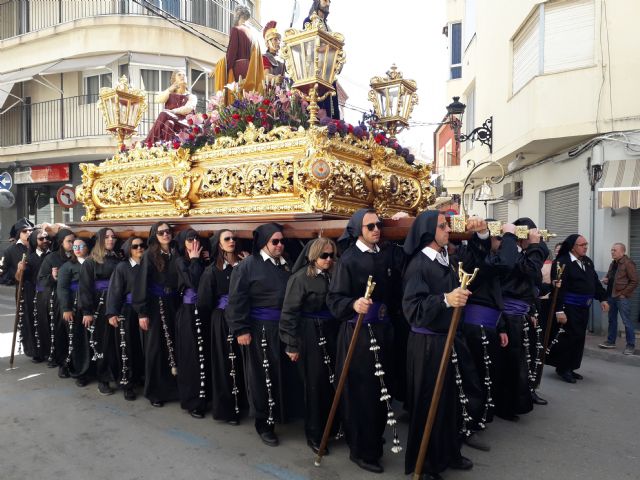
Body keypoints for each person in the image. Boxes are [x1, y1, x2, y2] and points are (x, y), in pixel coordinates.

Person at [402, 210, 482, 480]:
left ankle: (448, 452)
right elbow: (412, 309)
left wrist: (480, 233)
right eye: (443, 226)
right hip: (426, 344)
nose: (449, 230)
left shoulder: (447, 259)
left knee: (450, 401)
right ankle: (424, 464)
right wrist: (446, 299)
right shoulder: (417, 265)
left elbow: (475, 263)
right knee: (428, 403)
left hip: (448, 339)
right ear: (428, 232)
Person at [326, 209, 405, 474]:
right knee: (361, 393)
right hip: (359, 335)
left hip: (384, 330)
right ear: (358, 229)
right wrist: (353, 303)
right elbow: (334, 299)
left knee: (383, 390)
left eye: (379, 225)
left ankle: (373, 438)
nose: (376, 230)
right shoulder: (348, 260)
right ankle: (360, 449)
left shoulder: (385, 254)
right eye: (370, 226)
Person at [226, 223, 292, 447]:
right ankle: (264, 424)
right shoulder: (247, 266)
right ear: (264, 242)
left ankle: (283, 413)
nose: (280, 245)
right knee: (262, 376)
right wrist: (240, 329)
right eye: (275, 241)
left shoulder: (286, 264)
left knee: (282, 374)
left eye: (282, 241)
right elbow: (236, 300)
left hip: (284, 327)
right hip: (259, 329)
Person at [459, 221, 516, 449]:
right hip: (475, 327)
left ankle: (477, 419)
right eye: (498, 238)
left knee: (487, 376)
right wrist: (511, 237)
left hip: (489, 324)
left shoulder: (486, 259)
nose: (500, 243)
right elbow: (505, 264)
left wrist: (500, 327)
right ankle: (468, 425)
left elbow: (494, 295)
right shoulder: (474, 259)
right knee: (475, 378)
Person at [280, 237, 338, 455]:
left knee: (332, 380)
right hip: (310, 334)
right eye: (324, 256)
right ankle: (314, 434)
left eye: (332, 255)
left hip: (332, 332)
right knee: (315, 384)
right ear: (313, 256)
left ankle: (333, 428)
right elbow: (289, 313)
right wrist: (291, 345)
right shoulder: (300, 278)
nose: (329, 260)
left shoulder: (335, 275)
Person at [495, 217, 549, 420]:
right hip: (507, 316)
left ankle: (523, 396)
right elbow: (529, 269)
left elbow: (531, 285)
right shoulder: (510, 254)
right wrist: (535, 247)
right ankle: (505, 405)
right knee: (510, 364)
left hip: (521, 314)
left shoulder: (524, 253)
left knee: (523, 361)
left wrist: (532, 311)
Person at [197, 230, 247, 425]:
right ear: (219, 244)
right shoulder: (212, 270)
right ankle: (228, 410)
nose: (232, 241)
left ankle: (243, 403)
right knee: (226, 364)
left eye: (234, 238)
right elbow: (203, 301)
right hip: (223, 320)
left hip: (244, 318)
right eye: (227, 239)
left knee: (243, 362)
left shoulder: (245, 265)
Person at [547, 235, 609, 382]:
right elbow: (557, 290)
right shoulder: (561, 262)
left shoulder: (587, 261)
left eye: (586, 244)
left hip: (583, 307)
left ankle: (572, 367)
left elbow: (594, 281)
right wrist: (559, 310)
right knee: (568, 338)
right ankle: (563, 368)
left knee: (579, 338)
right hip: (569, 307)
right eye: (582, 245)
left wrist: (603, 298)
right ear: (573, 247)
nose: (585, 247)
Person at [133, 222, 180, 407]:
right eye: (161, 232)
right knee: (157, 348)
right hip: (156, 305)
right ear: (155, 235)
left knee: (176, 345)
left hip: (175, 303)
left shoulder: (177, 252)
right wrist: (142, 312)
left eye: (168, 231)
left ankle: (175, 388)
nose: (165, 235)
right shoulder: (149, 255)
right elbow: (141, 283)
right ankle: (156, 392)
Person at [79, 228, 122, 395]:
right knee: (102, 343)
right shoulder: (90, 262)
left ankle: (118, 374)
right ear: (100, 240)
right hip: (99, 305)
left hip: (116, 303)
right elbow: (84, 288)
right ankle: (103, 379)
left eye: (113, 237)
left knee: (117, 342)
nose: (111, 240)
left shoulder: (118, 259)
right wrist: (87, 311)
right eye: (107, 237)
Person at [106, 236, 146, 400]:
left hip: (144, 310)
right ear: (129, 249)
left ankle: (140, 377)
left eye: (142, 246)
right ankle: (127, 383)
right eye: (135, 246)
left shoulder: (147, 265)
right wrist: (112, 313)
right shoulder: (122, 267)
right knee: (127, 348)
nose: (139, 249)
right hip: (127, 312)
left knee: (142, 347)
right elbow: (115, 290)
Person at [174, 229, 209, 418]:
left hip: (203, 312)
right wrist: (195, 259)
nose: (194, 241)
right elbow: (193, 282)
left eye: (196, 238)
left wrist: (201, 259)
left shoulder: (202, 259)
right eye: (189, 239)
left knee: (204, 355)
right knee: (191, 356)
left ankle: (205, 396)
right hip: (188, 314)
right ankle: (193, 401)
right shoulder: (180, 261)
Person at [38, 228, 75, 373]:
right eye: (69, 241)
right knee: (62, 332)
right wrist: (53, 277)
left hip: (78, 298)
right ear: (61, 243)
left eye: (74, 241)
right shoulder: (52, 258)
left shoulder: (79, 255)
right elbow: (41, 280)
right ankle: (63, 363)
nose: (72, 244)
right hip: (60, 301)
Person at [57, 238, 90, 382]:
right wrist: (66, 308)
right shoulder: (67, 266)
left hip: (91, 305)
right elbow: (62, 288)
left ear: (88, 247)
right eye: (74, 246)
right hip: (74, 307)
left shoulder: (93, 263)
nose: (77, 248)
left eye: (81, 246)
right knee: (75, 339)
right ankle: (78, 370)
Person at [303, 0, 341, 119]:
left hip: (329, 72)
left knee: (332, 110)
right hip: (315, 71)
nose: (328, 3)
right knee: (318, 110)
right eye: (325, 0)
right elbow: (310, 46)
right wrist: (329, 48)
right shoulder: (309, 21)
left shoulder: (328, 27)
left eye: (329, 1)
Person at [599, 243, 638, 355]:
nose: (612, 252)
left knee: (626, 321)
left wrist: (623, 294)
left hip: (621, 297)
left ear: (622, 251)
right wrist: (606, 279)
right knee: (612, 319)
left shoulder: (628, 263)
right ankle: (611, 342)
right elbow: (610, 276)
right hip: (611, 295)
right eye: (611, 250)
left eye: (614, 250)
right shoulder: (613, 263)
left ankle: (630, 345)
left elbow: (634, 281)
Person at [20, 228, 50, 360]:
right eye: (41, 239)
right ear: (34, 241)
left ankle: (51, 351)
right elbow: (21, 278)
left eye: (46, 238)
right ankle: (38, 351)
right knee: (37, 323)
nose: (45, 241)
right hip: (34, 295)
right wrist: (20, 270)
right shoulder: (30, 258)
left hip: (51, 293)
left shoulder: (52, 255)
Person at [144, 70, 197, 145]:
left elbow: (187, 109)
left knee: (164, 113)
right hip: (173, 123)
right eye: (179, 75)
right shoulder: (170, 94)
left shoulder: (192, 96)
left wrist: (172, 111)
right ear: (174, 80)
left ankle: (147, 142)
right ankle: (167, 145)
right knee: (169, 123)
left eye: (184, 75)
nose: (182, 76)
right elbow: (157, 99)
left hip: (184, 123)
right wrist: (169, 90)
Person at [2, 218, 33, 285]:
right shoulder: (9, 251)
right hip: (21, 287)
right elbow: (3, 271)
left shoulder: (38, 246)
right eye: (24, 231)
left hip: (39, 286)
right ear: (19, 234)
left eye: (30, 230)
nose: (28, 232)